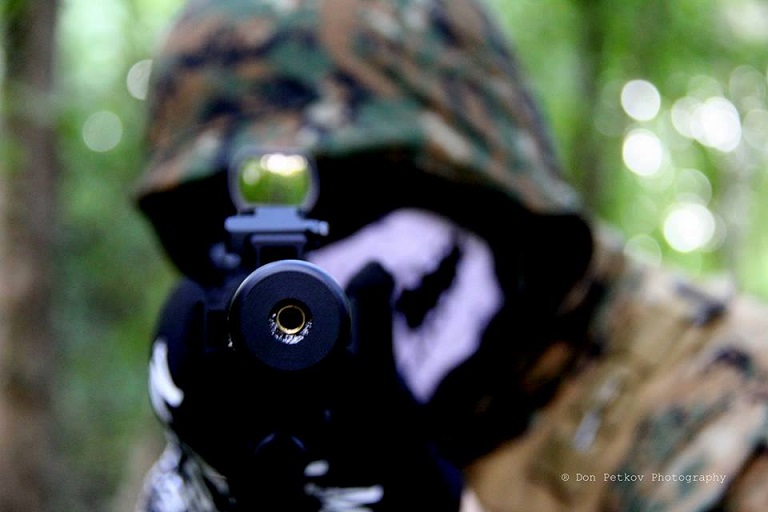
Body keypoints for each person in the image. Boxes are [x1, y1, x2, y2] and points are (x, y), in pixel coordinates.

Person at [133, 0, 768, 511]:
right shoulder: (253, 434)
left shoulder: (725, 403)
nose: (304, 275)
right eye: (218, 219)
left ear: (479, 180)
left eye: (355, 192)